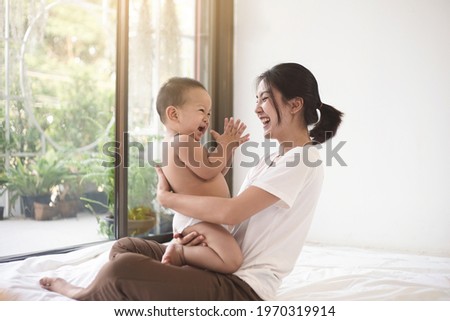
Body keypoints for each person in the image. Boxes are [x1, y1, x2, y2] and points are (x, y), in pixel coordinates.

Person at [39, 62, 343, 300]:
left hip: (242, 286)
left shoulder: (304, 159)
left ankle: (79, 292)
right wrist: (195, 237)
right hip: (216, 258)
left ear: (294, 104)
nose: (256, 109)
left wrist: (168, 199)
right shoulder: (268, 158)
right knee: (125, 247)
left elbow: (231, 211)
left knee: (121, 269)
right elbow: (233, 218)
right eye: (257, 100)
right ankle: (160, 277)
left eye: (264, 99)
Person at [155, 77, 249, 273]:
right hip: (197, 219)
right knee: (231, 260)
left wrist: (229, 150)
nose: (206, 118)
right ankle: (179, 253)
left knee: (223, 255)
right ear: (174, 114)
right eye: (201, 111)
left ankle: (189, 259)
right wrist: (223, 146)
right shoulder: (182, 141)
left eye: (209, 113)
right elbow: (208, 170)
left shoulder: (177, 143)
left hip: (199, 217)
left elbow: (216, 172)